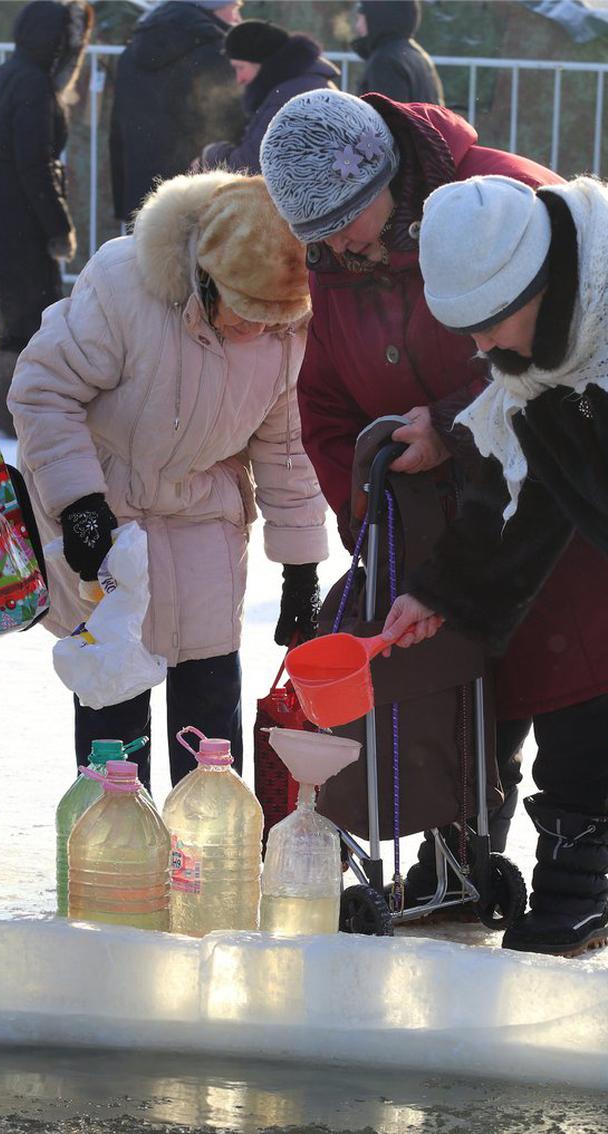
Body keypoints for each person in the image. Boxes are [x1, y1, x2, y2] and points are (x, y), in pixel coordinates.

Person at [258, 89, 608, 916]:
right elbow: (329, 406)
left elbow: (534, 376)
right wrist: (387, 538)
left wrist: (453, 425)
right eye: (316, 235)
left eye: (345, 219)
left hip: (559, 523)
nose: (335, 245)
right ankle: (463, 859)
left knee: (577, 680)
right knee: (457, 696)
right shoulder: (339, 264)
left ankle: (581, 866)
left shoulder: (504, 203)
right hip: (460, 523)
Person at [8, 172, 328, 787]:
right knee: (114, 713)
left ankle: (205, 843)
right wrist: (78, 504)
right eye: (246, 313)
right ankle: (114, 835)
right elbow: (44, 392)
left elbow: (288, 447)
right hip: (106, 517)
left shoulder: (289, 329)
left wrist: (301, 568)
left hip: (205, 518)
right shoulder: (122, 285)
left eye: (274, 320)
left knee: (211, 717)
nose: (258, 332)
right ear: (206, 278)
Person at [381, 173, 608, 957]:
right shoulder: (541, 360)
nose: (480, 350)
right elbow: (524, 493)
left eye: (489, 325)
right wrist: (441, 592)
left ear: (538, 284)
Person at [0, 0, 93, 438]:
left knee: (11, 319)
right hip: (19, 215)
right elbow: (35, 163)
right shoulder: (34, 84)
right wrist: (59, 227)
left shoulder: (12, 70)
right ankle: (20, 417)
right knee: (28, 319)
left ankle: (8, 417)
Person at [109, 0, 246, 225]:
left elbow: (119, 129)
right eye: (234, 10)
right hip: (198, 195)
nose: (238, 20)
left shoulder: (130, 53)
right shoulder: (217, 54)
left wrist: (123, 198)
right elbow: (232, 124)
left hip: (143, 194)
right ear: (211, 8)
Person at [199, 19, 339, 175]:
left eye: (240, 67)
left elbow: (250, 165)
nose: (239, 79)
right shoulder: (301, 83)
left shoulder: (286, 97)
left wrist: (209, 156)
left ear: (262, 62)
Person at [352, 0, 444, 106]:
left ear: (377, 18)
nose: (358, 26)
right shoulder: (418, 55)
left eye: (361, 18)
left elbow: (388, 114)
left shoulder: (385, 61)